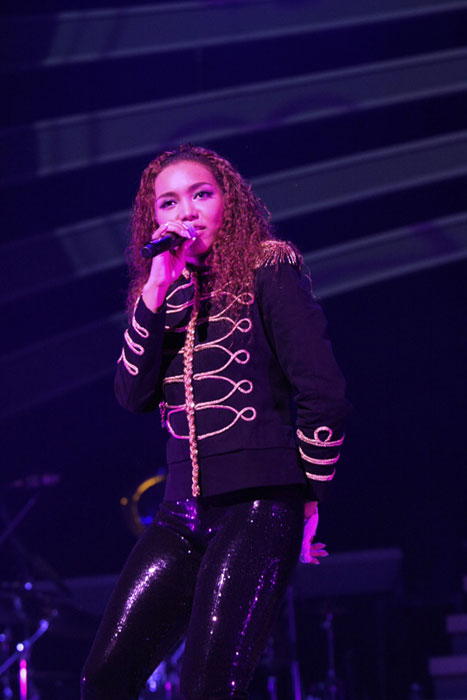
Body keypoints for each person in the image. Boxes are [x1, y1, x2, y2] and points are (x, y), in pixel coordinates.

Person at [80, 144, 350, 700]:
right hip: (179, 514)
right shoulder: (164, 292)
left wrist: (310, 495)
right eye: (169, 202)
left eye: (201, 194)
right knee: (104, 677)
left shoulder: (268, 267)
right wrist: (154, 290)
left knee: (208, 688)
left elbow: (322, 390)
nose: (186, 212)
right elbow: (131, 395)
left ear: (228, 201)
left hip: (258, 507)